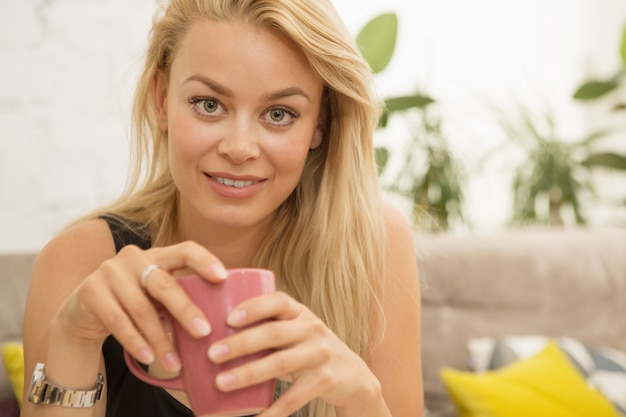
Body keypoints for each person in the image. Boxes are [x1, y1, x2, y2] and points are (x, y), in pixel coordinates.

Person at [21, 0, 423, 416]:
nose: (239, 148)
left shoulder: (374, 245)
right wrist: (74, 339)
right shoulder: (79, 261)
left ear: (319, 124)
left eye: (280, 113)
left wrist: (365, 402)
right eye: (209, 104)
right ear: (162, 101)